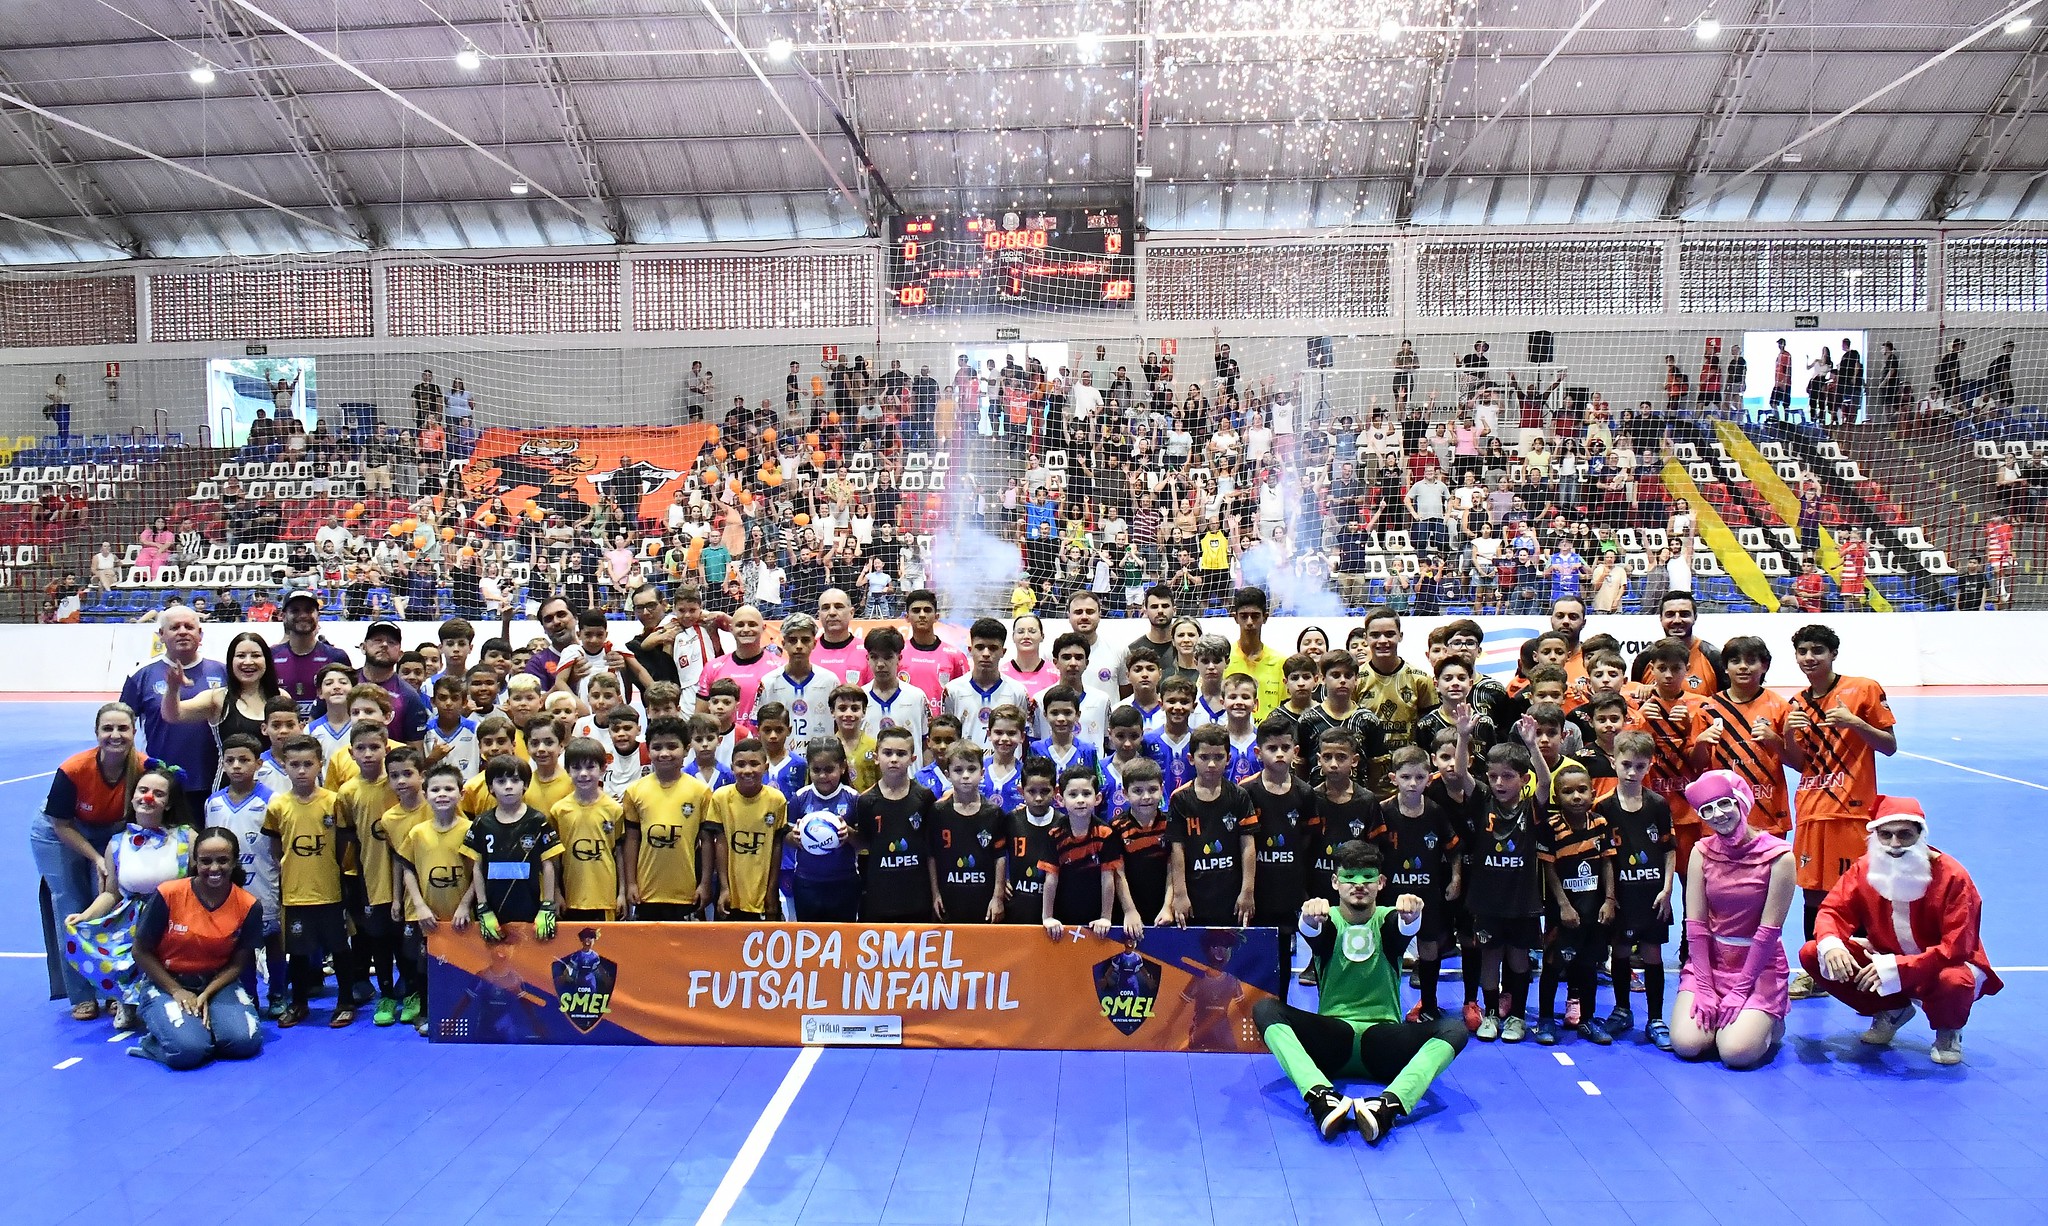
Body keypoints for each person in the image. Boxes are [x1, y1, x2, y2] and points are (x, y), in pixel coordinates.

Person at [1253, 841, 1468, 1142]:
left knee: (1454, 1029)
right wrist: (1307, 918)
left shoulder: (1388, 919)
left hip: (1383, 1044)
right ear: (1335, 882)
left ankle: (1388, 1105)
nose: (1359, 885)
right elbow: (1315, 932)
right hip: (1332, 1041)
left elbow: (1402, 927)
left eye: (1367, 877)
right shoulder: (1326, 919)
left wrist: (1413, 915)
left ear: (1381, 883)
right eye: (1350, 878)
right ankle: (1321, 1096)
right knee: (1265, 1009)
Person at [1797, 797, 2000, 1065]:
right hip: (1886, 956)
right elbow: (1832, 911)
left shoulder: (1953, 877)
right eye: (1886, 835)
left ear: (1920, 835)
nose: (1894, 844)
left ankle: (1948, 1030)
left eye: (1905, 835)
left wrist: (1898, 967)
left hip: (1939, 965)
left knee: (1955, 980)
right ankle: (1892, 1010)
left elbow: (1956, 947)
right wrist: (1831, 943)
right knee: (1814, 953)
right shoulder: (1865, 869)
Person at [1781, 623, 1896, 998]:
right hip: (1812, 810)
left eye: (1817, 650)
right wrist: (1784, 736)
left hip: (1853, 812)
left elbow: (1890, 745)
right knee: (1813, 894)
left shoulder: (1863, 689)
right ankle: (1816, 973)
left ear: (1833, 654)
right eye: (1803, 652)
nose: (1810, 658)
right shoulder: (1796, 704)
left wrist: (1855, 722)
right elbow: (1800, 764)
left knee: (1857, 893)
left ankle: (1861, 970)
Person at [37, 704, 164, 1020]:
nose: (115, 735)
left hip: (110, 831)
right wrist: (96, 858)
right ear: (97, 734)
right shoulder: (74, 770)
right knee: (71, 905)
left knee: (107, 904)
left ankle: (111, 990)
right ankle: (80, 995)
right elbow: (60, 825)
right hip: (60, 831)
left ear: (134, 732)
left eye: (123, 728)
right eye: (108, 729)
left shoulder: (145, 767)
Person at [1669, 771, 1794, 1070]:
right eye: (1707, 810)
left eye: (1724, 804)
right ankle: (1735, 1023)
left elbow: (1768, 932)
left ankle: (1771, 1022)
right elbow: (1696, 927)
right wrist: (1705, 986)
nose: (1718, 815)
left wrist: (1740, 991)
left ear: (1741, 802)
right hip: (1712, 962)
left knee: (1735, 1053)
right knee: (1687, 1045)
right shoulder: (1701, 852)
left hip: (1758, 965)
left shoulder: (1779, 857)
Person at [61, 767, 197, 1032]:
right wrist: (85, 916)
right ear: (133, 797)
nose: (148, 798)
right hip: (131, 921)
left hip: (174, 918)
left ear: (168, 803)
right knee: (117, 949)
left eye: (158, 794)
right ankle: (126, 999)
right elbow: (110, 893)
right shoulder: (116, 843)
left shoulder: (186, 838)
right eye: (143, 791)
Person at [127, 826, 266, 1069]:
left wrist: (206, 994)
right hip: (168, 982)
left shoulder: (248, 905)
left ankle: (202, 1029)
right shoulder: (169, 894)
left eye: (223, 861)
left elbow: (238, 963)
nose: (214, 868)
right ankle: (154, 1042)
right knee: (189, 1051)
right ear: (195, 862)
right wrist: (178, 991)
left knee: (244, 1043)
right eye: (206, 861)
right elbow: (140, 951)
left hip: (217, 983)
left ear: (234, 862)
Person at [119, 607, 229, 789]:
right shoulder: (141, 675)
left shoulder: (222, 671)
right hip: (161, 782)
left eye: (189, 626)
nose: (183, 632)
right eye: (175, 627)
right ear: (161, 634)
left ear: (200, 634)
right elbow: (122, 727)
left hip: (214, 781)